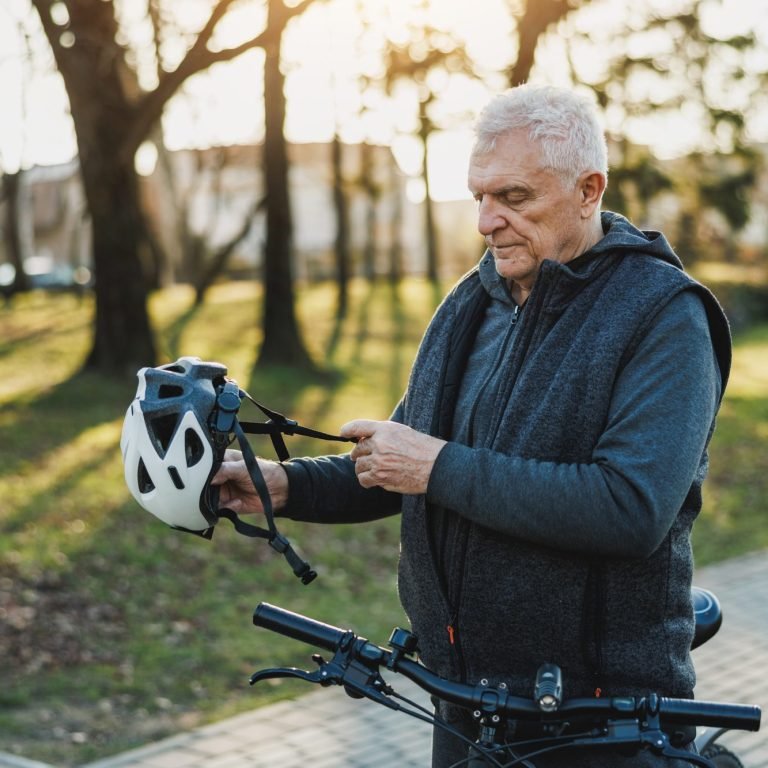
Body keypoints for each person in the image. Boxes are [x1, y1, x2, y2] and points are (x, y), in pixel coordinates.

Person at [212, 84, 731, 767]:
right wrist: (280, 485)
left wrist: (436, 466)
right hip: (462, 705)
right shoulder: (468, 304)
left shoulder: (663, 315)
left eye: (514, 197)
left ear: (588, 189)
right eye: (479, 197)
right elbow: (398, 462)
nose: (487, 221)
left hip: (604, 719)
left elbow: (631, 507)